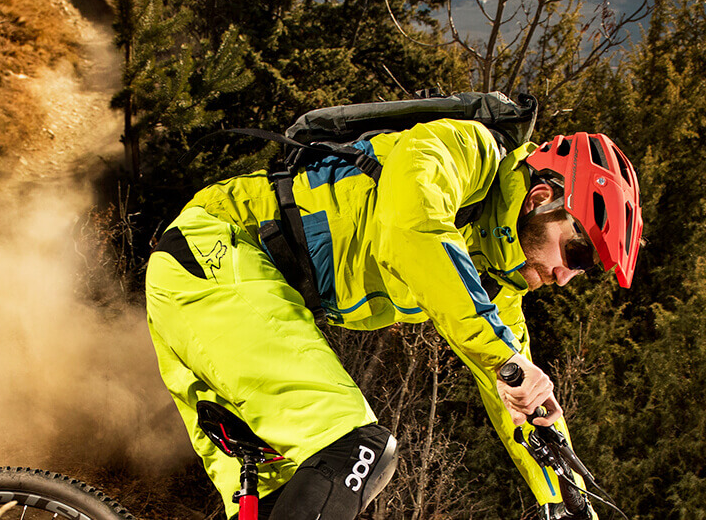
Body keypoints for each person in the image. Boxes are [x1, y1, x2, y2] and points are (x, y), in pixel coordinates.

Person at [145, 116, 643, 520]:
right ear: (539, 200)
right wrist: (503, 358)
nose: (565, 276)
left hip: (222, 295)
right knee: (358, 449)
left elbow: (524, 408)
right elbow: (411, 231)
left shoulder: (494, 284)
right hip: (219, 255)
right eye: (576, 254)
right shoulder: (458, 150)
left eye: (585, 270)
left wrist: (565, 501)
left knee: (292, 496)